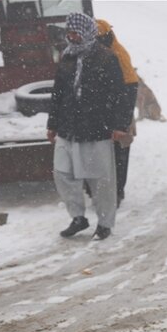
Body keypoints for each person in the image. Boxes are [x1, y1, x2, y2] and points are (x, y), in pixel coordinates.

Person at [46, 13, 132, 240]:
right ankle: (78, 217)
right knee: (62, 173)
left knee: (100, 179)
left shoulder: (106, 58)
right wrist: (52, 123)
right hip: (68, 128)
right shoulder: (66, 57)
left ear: (87, 32)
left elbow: (119, 94)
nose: (72, 37)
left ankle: (105, 223)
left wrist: (119, 125)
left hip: (96, 127)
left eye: (76, 33)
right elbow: (58, 93)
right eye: (69, 33)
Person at [95, 19, 138, 208]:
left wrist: (123, 120)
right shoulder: (100, 54)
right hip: (107, 113)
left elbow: (130, 87)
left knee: (120, 152)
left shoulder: (118, 54)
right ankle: (107, 191)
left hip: (121, 112)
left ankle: (118, 191)